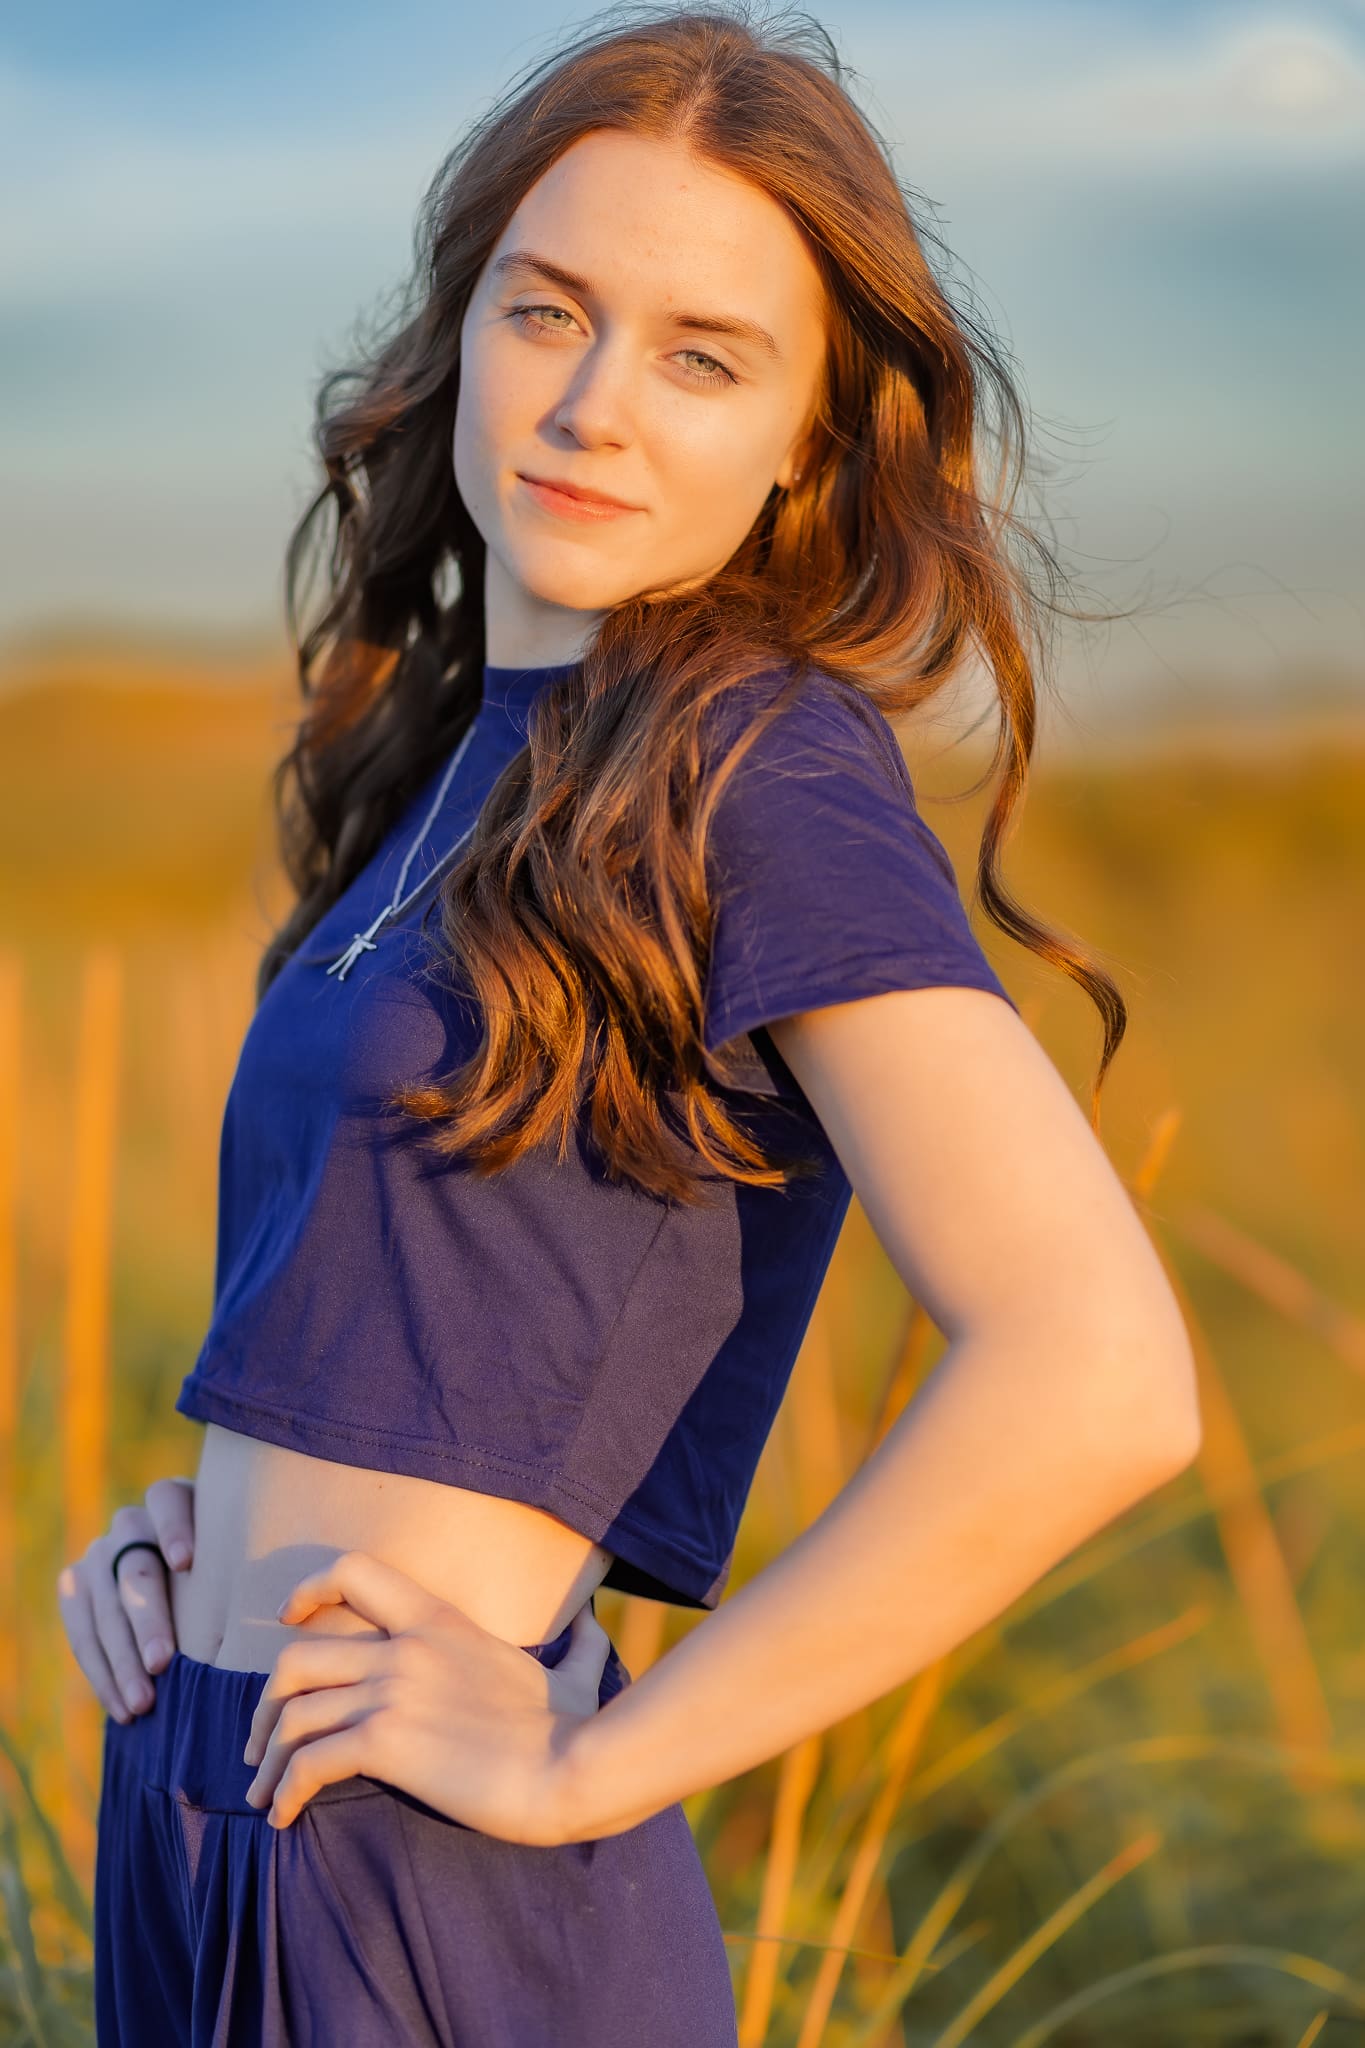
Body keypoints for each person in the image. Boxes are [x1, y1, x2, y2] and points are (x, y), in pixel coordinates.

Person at [56, 4, 1202, 2041]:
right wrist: (205, 1540)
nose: (590, 405)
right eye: (545, 309)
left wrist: (595, 1757)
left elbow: (1098, 1368)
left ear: (802, 447)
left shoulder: (755, 763)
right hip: (202, 1797)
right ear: (460, 329)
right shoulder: (451, 760)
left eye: (700, 357)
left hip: (428, 1876)